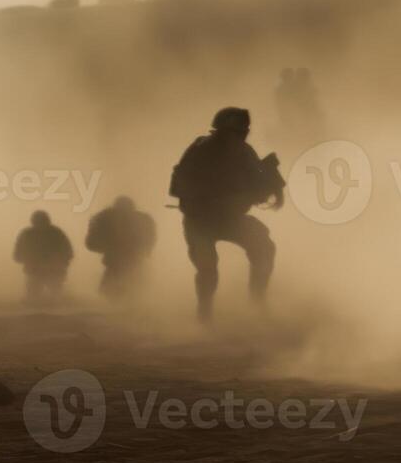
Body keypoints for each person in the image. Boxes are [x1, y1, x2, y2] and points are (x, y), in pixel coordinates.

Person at [169, 108, 284, 322]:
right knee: (207, 270)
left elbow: (259, 183)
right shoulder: (201, 150)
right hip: (200, 221)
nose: (239, 136)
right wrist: (208, 198)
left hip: (228, 219)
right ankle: (205, 315)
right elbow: (178, 185)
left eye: (240, 132)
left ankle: (256, 304)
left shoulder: (242, 152)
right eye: (236, 131)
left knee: (264, 247)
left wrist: (271, 182)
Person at [84, 196, 158, 302]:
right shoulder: (143, 220)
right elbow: (91, 244)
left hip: (124, 266)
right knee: (120, 299)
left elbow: (91, 244)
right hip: (124, 266)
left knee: (111, 298)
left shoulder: (106, 218)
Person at [14, 210, 73, 304]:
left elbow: (68, 252)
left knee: (55, 297)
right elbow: (17, 255)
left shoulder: (55, 233)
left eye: (41, 221)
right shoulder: (55, 233)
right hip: (39, 271)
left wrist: (60, 262)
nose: (40, 224)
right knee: (35, 297)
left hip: (50, 271)